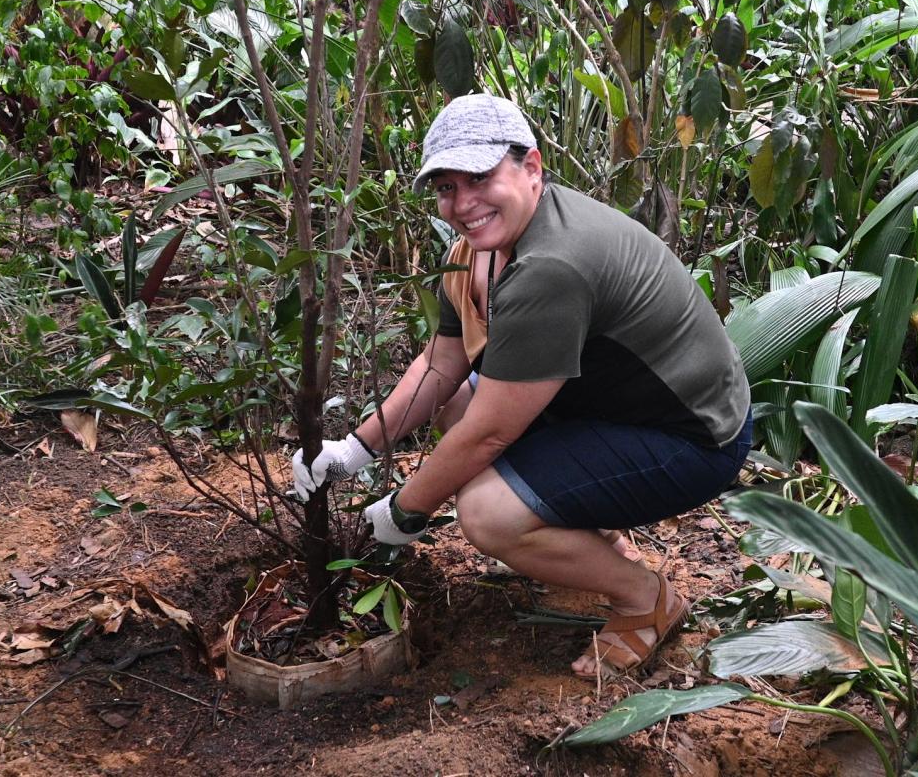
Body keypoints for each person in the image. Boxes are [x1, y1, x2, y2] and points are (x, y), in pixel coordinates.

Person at [293, 94, 752, 678]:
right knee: (455, 402)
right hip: (602, 408)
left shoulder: (549, 268)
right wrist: (354, 449)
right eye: (446, 187)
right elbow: (443, 363)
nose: (462, 204)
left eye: (480, 178)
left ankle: (645, 600)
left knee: (488, 514)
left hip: (691, 439)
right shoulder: (477, 250)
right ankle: (593, 535)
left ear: (531, 167)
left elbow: (489, 435)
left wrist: (405, 511)